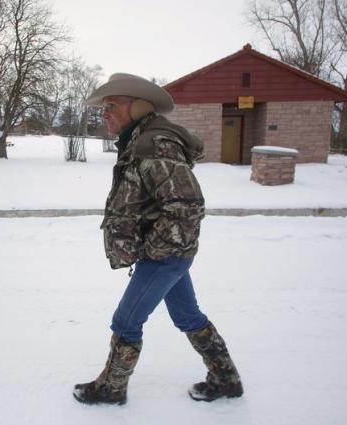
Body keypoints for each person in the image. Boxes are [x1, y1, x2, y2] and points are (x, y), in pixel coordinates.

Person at [73, 73, 243, 405]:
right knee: (188, 316)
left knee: (126, 321)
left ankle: (111, 388)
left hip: (166, 255)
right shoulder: (139, 140)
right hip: (172, 252)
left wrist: (152, 251)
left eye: (111, 106)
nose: (104, 113)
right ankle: (226, 378)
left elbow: (187, 207)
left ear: (137, 107)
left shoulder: (154, 144)